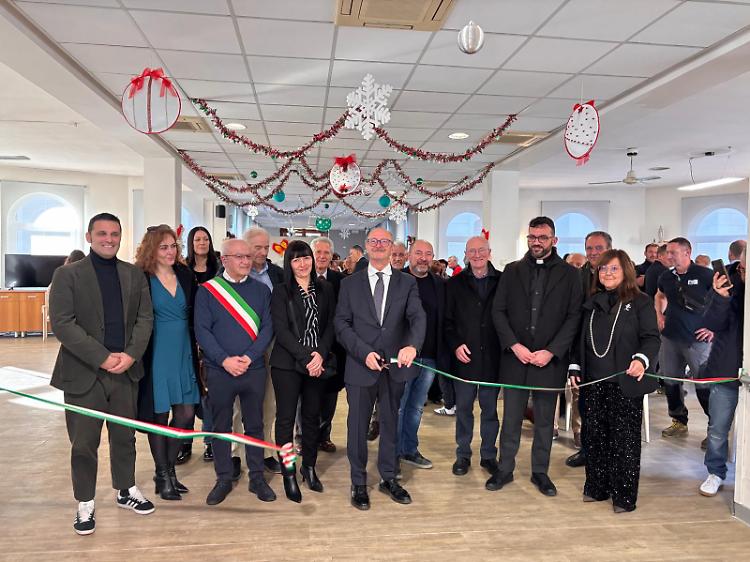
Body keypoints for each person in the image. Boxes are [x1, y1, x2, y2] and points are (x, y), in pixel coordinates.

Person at [49, 213, 155, 535]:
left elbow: (145, 319)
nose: (109, 239)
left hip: (124, 371)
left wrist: (130, 355)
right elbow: (63, 324)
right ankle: (85, 501)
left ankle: (126, 489)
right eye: (102, 233)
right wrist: (102, 357)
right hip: (84, 372)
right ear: (89, 236)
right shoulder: (67, 275)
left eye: (114, 234)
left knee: (124, 436)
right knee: (84, 442)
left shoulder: (134, 274)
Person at [335, 227, 426, 510]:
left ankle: (389, 477)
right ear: (366, 245)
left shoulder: (407, 283)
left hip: (394, 368)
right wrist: (364, 353)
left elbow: (417, 318)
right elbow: (341, 324)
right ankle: (358, 482)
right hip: (360, 366)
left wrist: (412, 346)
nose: (378, 245)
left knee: (389, 424)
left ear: (391, 248)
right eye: (373, 241)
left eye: (383, 241)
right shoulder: (350, 284)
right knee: (357, 426)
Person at [490, 216, 582, 496]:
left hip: (548, 361)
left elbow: (574, 317)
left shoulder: (571, 275)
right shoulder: (512, 270)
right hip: (516, 358)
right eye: (532, 237)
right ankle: (504, 468)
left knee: (544, 422)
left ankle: (540, 472)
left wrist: (552, 351)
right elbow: (498, 311)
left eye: (542, 237)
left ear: (554, 240)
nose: (536, 242)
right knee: (511, 420)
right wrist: (513, 345)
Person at [570, 249, 660, 512]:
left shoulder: (640, 302)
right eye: (603, 269)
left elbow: (651, 338)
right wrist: (574, 366)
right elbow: (579, 339)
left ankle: (623, 496)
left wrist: (641, 359)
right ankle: (597, 487)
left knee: (624, 441)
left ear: (626, 271)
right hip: (593, 383)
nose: (607, 273)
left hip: (625, 383)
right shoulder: (591, 302)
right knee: (594, 437)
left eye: (613, 269)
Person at [194, 238, 275, 505]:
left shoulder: (261, 291)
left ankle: (257, 478)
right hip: (220, 370)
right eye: (239, 256)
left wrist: (249, 357)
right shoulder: (208, 291)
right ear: (224, 259)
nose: (245, 261)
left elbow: (267, 328)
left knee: (255, 425)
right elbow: (202, 331)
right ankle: (223, 478)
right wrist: (224, 360)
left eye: (248, 256)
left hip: (254, 369)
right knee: (221, 426)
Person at [134, 225, 200, 500]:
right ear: (152, 249)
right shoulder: (141, 277)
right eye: (164, 247)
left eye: (173, 246)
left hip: (184, 350)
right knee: (159, 417)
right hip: (156, 353)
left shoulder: (185, 274)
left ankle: (167, 470)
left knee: (185, 415)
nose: (170, 251)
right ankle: (163, 474)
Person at [270, 241, 336, 502]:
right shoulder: (281, 291)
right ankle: (289, 473)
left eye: (306, 258)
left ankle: (309, 466)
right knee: (285, 420)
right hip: (287, 364)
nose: (302, 264)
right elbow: (281, 331)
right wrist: (307, 357)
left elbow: (330, 325)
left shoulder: (325, 288)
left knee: (311, 417)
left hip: (317, 363)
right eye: (296, 259)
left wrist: (320, 354)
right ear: (289, 263)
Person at [445, 236, 501, 480]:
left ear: (489, 252)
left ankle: (488, 455)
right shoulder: (454, 283)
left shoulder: (503, 281)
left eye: (481, 250)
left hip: (492, 359)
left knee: (490, 411)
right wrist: (455, 345)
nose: (477, 255)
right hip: (464, 360)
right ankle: (463, 454)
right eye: (472, 251)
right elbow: (447, 321)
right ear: (466, 254)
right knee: (464, 410)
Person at [655, 237, 714, 444]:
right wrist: (659, 315)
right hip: (670, 337)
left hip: (697, 340)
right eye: (667, 252)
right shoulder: (666, 276)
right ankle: (679, 420)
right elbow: (659, 295)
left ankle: (714, 429)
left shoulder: (706, 275)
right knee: (671, 381)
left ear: (687, 252)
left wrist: (714, 328)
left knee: (703, 384)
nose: (668, 256)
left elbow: (723, 300)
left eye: (673, 252)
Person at [396, 239, 448, 471]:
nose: (423, 258)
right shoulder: (398, 280)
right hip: (402, 356)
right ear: (409, 255)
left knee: (416, 407)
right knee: (399, 406)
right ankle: (392, 453)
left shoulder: (440, 284)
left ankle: (409, 449)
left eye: (428, 254)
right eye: (419, 253)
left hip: (429, 356)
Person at [699, 249, 744, 496]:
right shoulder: (726, 281)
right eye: (743, 269)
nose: (744, 274)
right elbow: (712, 323)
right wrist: (721, 297)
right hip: (726, 369)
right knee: (717, 428)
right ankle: (715, 472)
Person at [566, 230, 613, 468]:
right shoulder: (577, 276)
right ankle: (587, 450)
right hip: (584, 348)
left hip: (613, 350)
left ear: (609, 249)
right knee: (584, 403)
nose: (593, 253)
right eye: (589, 248)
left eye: (598, 248)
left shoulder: (619, 274)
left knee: (610, 406)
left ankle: (609, 453)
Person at [244, 226, 283, 474]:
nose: (263, 252)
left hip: (271, 344)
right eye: (257, 247)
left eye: (266, 247)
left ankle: (267, 451)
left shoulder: (278, 274)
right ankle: (237, 453)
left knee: (269, 402)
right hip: (241, 345)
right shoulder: (233, 273)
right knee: (240, 404)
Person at [182, 226, 220, 464]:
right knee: (187, 390)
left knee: (209, 391)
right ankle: (185, 442)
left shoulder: (219, 270)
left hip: (213, 336)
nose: (202, 243)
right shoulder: (183, 270)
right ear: (191, 243)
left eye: (206, 239)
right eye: (197, 239)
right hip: (187, 335)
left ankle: (210, 441)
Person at [311, 236, 346, 453]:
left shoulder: (341, 281)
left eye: (326, 253)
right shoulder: (300, 277)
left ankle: (324, 436)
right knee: (306, 396)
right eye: (318, 252)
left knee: (330, 396)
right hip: (307, 349)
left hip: (334, 349)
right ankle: (303, 437)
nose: (322, 256)